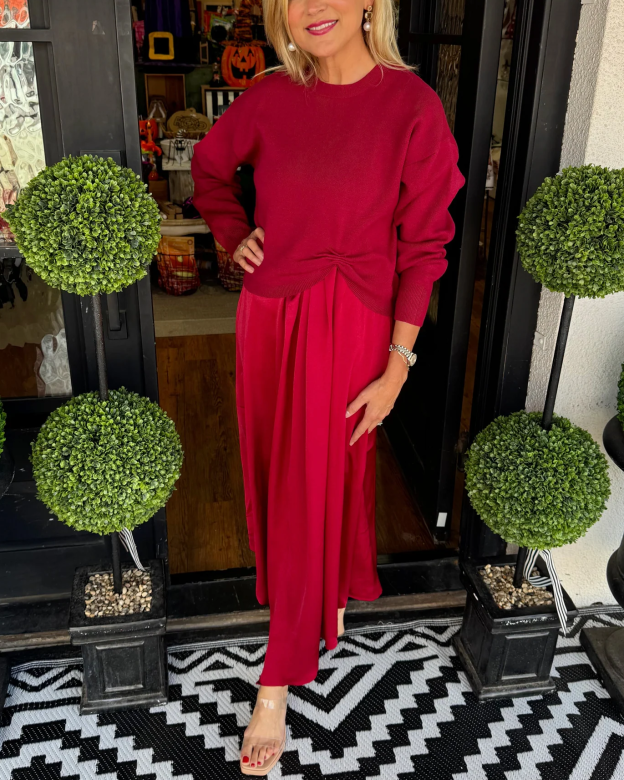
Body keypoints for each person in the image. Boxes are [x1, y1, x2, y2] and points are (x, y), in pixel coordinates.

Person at [190, 0, 466, 774]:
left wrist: (399, 366)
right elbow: (209, 169)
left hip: (356, 326)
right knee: (286, 475)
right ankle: (320, 593)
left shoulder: (412, 105)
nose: (315, 7)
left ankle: (276, 679)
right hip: (270, 316)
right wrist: (230, 232)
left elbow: (426, 245)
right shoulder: (270, 97)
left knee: (321, 474)